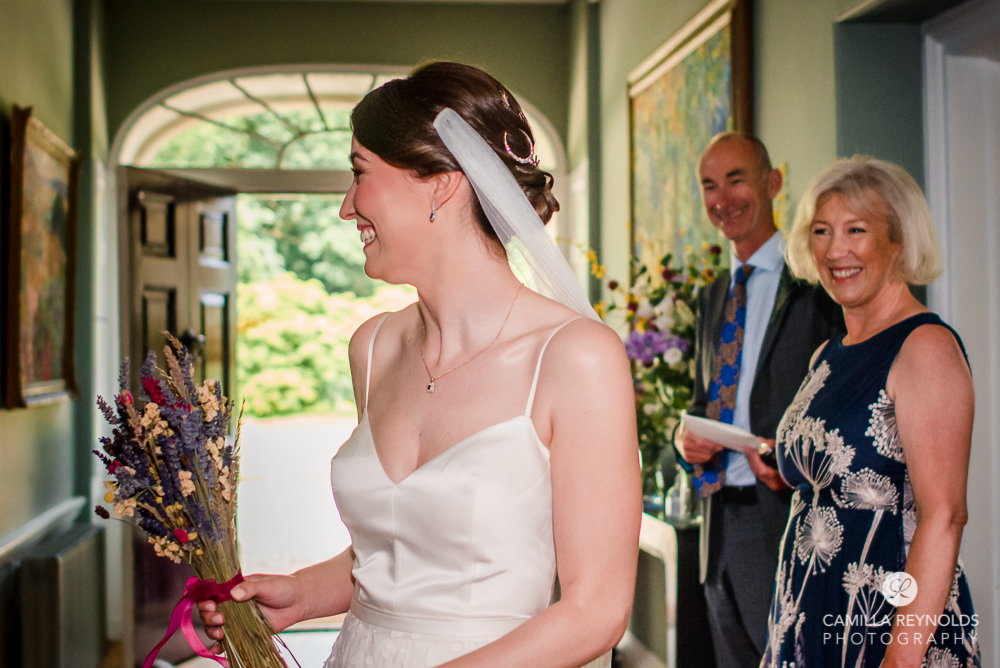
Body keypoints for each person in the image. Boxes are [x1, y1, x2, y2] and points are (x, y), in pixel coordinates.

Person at [197, 62, 641, 668]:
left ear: (441, 184)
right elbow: (397, 556)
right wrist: (301, 594)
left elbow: (596, 611)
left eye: (359, 174)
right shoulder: (373, 348)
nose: (346, 208)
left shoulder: (575, 358)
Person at [762, 155, 980, 667]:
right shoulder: (826, 355)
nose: (836, 250)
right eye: (821, 231)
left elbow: (944, 516)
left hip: (889, 619)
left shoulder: (924, 347)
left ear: (898, 241)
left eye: (856, 230)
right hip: (806, 612)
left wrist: (899, 661)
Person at [674, 133, 843, 668]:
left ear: (772, 183)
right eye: (709, 185)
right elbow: (703, 401)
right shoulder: (711, 296)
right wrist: (685, 441)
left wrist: (793, 456)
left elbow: (844, 398)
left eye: (736, 179)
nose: (722, 198)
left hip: (789, 519)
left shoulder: (816, 284)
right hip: (716, 527)